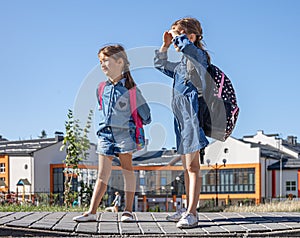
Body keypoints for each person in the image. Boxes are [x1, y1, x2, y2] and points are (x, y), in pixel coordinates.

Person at [73, 44, 151, 222]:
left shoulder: (131, 90)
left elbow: (146, 116)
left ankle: (128, 211)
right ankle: (91, 212)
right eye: (100, 61)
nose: (102, 64)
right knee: (102, 175)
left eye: (106, 60)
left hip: (125, 135)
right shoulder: (101, 89)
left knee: (127, 172)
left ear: (120, 62)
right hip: (105, 136)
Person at [154, 17, 210, 228]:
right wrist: (165, 45)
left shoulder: (199, 57)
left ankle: (192, 213)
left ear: (192, 37)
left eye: (178, 33)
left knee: (193, 166)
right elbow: (159, 64)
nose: (174, 37)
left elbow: (188, 48)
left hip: (192, 117)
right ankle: (187, 209)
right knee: (186, 167)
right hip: (180, 119)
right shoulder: (180, 66)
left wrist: (180, 38)